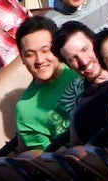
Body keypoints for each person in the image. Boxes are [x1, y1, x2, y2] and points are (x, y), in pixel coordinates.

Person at [10, 17, 85, 152]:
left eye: (45, 50)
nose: (39, 60)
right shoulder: (26, 109)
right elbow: (48, 160)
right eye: (30, 54)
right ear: (22, 58)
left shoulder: (81, 67)